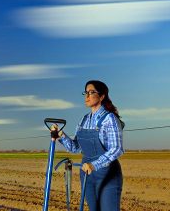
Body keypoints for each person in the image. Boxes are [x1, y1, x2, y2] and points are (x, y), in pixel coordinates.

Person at [51, 80, 124, 211]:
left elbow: (116, 149)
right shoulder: (84, 120)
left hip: (107, 174)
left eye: (91, 92)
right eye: (86, 93)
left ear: (102, 96)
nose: (87, 96)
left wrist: (94, 165)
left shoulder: (110, 118)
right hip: (87, 174)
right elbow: (76, 148)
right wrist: (61, 135)